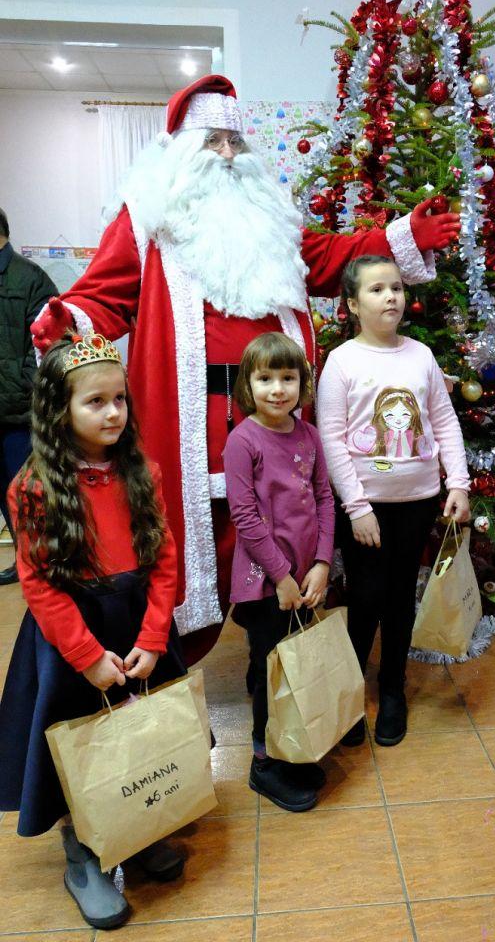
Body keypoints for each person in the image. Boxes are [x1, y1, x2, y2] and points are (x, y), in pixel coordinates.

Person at [29, 75, 460, 661]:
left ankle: (282, 666)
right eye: (214, 141)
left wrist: (400, 236)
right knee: (189, 540)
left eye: (236, 141)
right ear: (183, 150)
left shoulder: (271, 220)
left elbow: (328, 256)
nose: (229, 155)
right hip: (193, 422)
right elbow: (105, 295)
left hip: (275, 410)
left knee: (284, 523)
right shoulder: (147, 223)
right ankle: (169, 660)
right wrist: (68, 319)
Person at [0, 331, 188, 930]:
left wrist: (154, 637)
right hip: (73, 639)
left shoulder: (142, 472)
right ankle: (82, 849)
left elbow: (164, 559)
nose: (113, 413)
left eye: (119, 399)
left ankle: (135, 825)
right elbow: (38, 583)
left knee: (137, 731)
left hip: (136, 627)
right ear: (60, 410)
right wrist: (85, 655)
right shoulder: (32, 488)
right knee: (78, 742)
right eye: (95, 402)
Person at [316, 255, 470, 748]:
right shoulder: (342, 362)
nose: (391, 297)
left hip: (417, 501)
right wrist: (357, 507)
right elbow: (331, 438)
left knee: (401, 597)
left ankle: (392, 688)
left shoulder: (421, 356)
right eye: (377, 289)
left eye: (397, 288)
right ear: (352, 304)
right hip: (366, 509)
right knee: (364, 598)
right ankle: (349, 692)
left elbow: (444, 422)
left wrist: (458, 483)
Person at [224, 333, 335, 812]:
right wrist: (283, 577)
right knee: (270, 672)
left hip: (306, 579)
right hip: (265, 585)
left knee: (296, 667)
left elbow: (325, 499)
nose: (277, 389)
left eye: (287, 378)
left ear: (302, 383)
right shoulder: (242, 440)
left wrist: (322, 563)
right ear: (248, 386)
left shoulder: (309, 435)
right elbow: (245, 516)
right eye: (265, 378)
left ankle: (290, 745)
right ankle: (264, 762)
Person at [0, 207, 57, 586]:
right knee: (5, 499)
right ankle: (25, 564)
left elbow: (48, 346)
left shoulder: (31, 278)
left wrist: (23, 389)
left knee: (28, 497)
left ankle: (43, 570)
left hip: (19, 418)